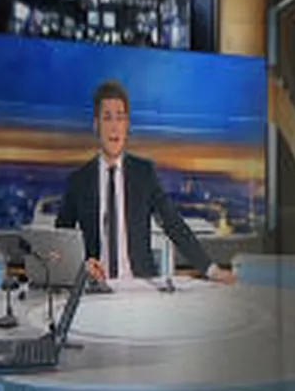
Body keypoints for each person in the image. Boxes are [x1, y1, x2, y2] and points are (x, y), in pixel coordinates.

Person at [55, 79, 232, 287]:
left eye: (120, 118)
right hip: (96, 289)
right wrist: (81, 265)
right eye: (107, 118)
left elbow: (173, 224)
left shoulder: (144, 173)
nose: (114, 126)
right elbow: (62, 238)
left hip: (140, 287)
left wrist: (211, 270)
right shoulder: (79, 180)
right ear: (96, 125)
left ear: (127, 125)